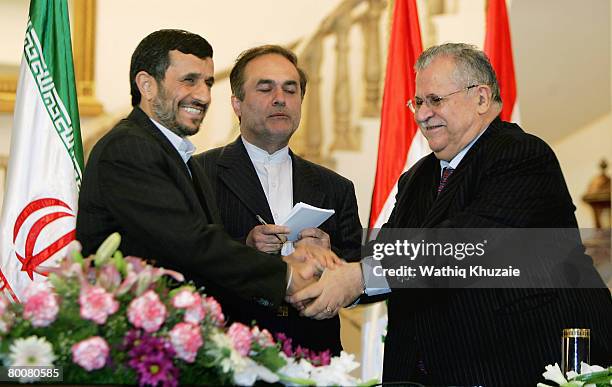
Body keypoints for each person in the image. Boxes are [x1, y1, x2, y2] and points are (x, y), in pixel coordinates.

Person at [288, 43, 612, 385]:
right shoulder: (417, 178)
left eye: (436, 100)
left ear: (482, 99)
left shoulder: (522, 155)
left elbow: (468, 244)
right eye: (418, 102)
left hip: (522, 367)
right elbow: (388, 251)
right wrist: (331, 259)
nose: (422, 114)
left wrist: (357, 276)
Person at [76, 30, 339, 313]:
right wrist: (286, 275)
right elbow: (187, 243)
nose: (203, 95)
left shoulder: (180, 158)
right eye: (189, 81)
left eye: (208, 83)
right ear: (147, 85)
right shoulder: (129, 148)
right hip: (134, 341)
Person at [195, 45, 362, 354]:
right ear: (237, 104)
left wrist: (329, 259)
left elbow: (356, 276)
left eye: (290, 89)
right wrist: (244, 248)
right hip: (227, 353)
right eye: (265, 88)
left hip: (314, 355)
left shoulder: (336, 187)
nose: (280, 98)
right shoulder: (198, 174)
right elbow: (183, 260)